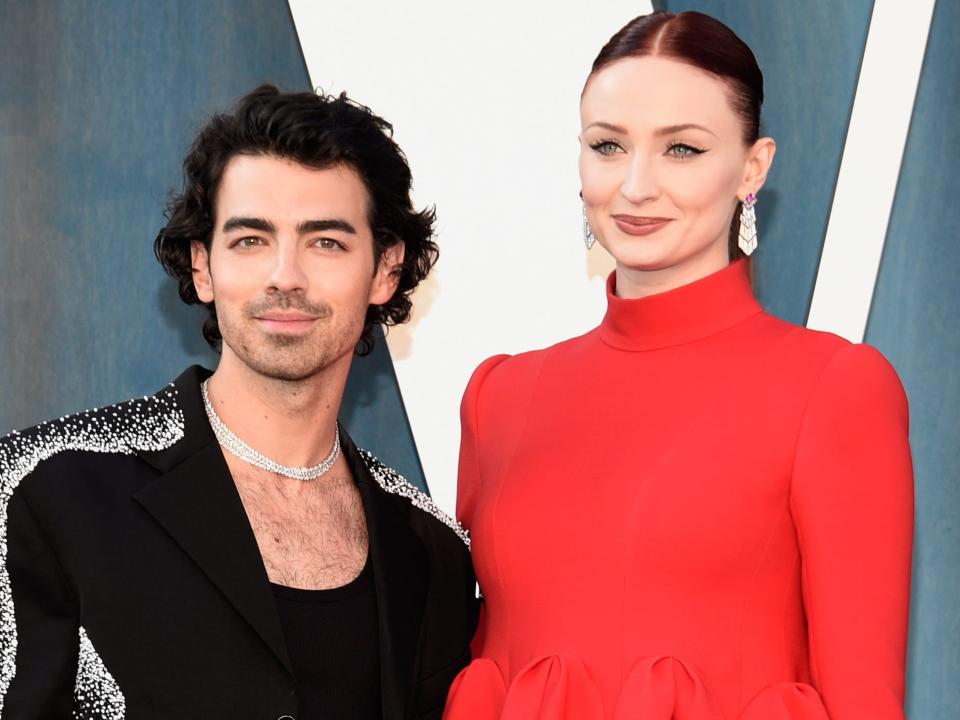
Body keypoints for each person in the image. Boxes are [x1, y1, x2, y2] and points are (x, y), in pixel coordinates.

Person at [443, 11, 912, 720]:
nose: (635, 186)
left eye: (682, 150)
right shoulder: (500, 396)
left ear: (753, 167)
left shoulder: (835, 389)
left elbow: (862, 698)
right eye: (608, 145)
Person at [0, 85, 478, 719]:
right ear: (203, 266)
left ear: (385, 270)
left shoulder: (431, 550)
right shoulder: (45, 485)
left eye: (326, 242)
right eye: (251, 239)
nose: (286, 275)